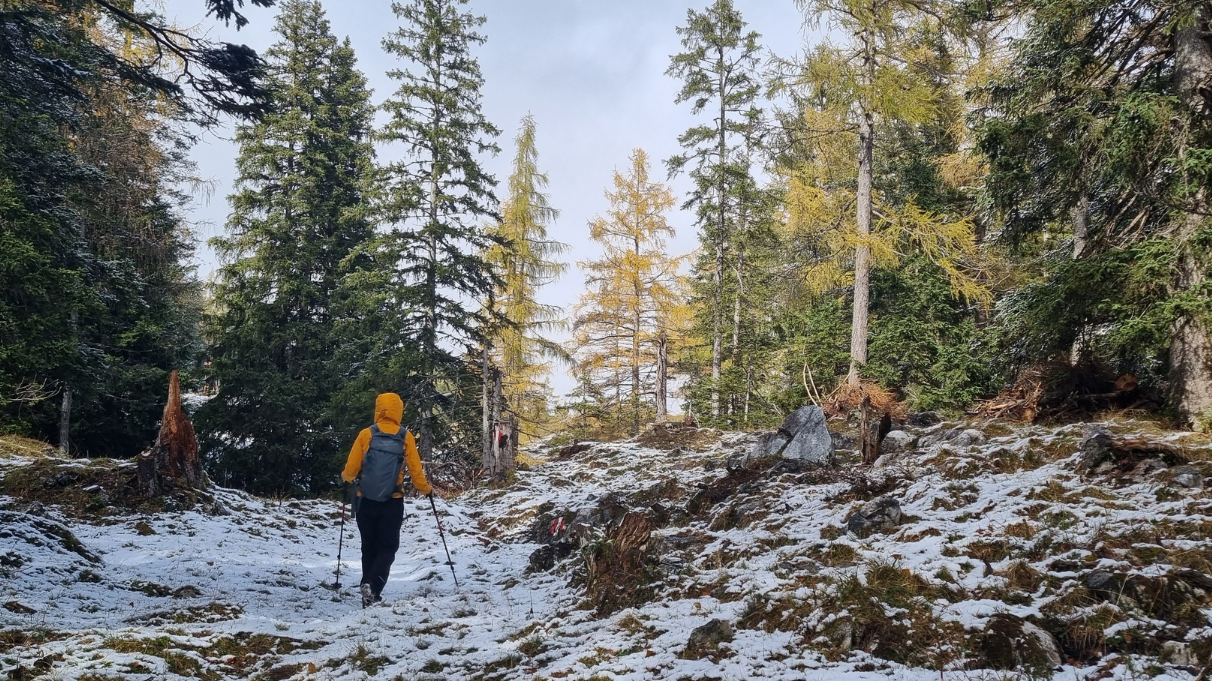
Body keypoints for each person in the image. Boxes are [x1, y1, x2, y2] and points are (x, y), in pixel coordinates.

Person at [341, 392, 432, 607]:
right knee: (387, 548)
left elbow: (352, 469)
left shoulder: (366, 434)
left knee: (368, 547)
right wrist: (426, 490)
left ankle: (368, 590)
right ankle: (372, 587)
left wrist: (346, 478)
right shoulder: (404, 436)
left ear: (378, 409)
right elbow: (416, 470)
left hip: (365, 500)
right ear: (398, 410)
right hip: (392, 500)